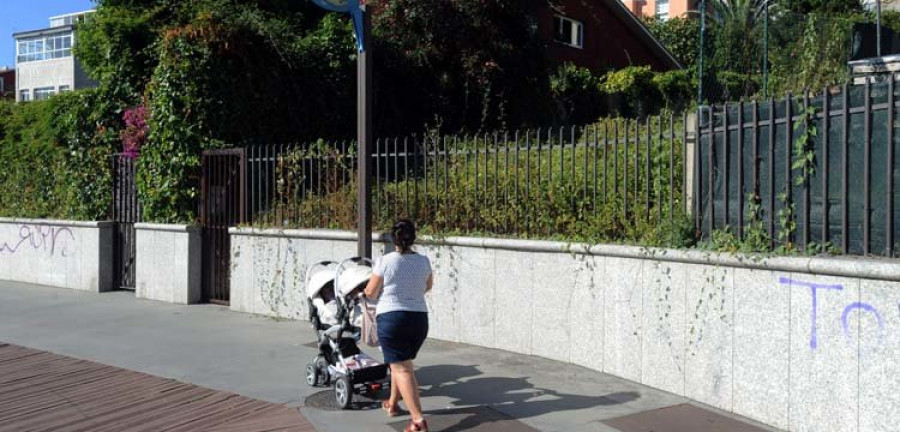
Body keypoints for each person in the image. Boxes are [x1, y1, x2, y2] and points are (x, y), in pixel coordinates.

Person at [364, 219, 432, 432]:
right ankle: (392, 404)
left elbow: (371, 292)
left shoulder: (385, 261)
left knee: (402, 369)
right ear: (413, 238)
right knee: (400, 363)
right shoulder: (424, 261)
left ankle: (418, 421)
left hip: (392, 318)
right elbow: (427, 287)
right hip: (419, 319)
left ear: (393, 239)